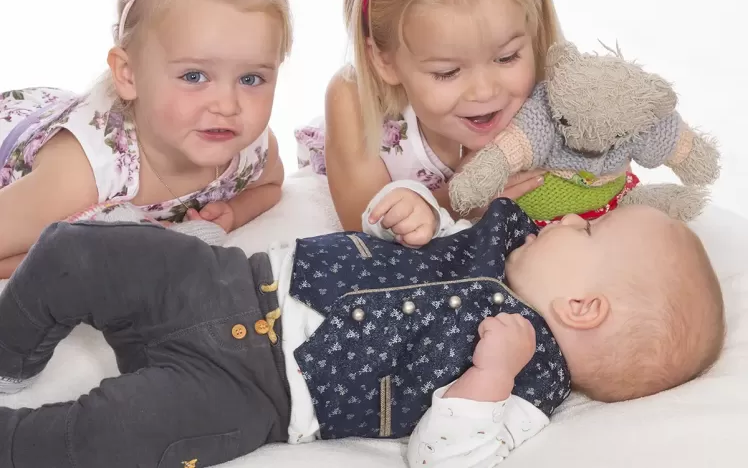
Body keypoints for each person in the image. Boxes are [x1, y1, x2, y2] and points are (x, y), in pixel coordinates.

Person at [0, 180, 724, 467]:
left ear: (583, 308)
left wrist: (491, 374)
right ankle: (11, 347)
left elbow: (444, 455)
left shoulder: (530, 384)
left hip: (253, 391)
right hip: (228, 283)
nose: (569, 220)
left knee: (112, 435)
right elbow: (419, 222)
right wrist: (408, 208)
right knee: (74, 250)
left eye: (587, 234)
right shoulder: (493, 245)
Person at [0, 0, 292, 277]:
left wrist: (234, 212)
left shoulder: (250, 148)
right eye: (194, 76)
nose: (227, 104)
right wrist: (92, 255)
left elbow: (271, 186)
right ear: (128, 74)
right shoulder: (87, 174)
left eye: (251, 79)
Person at [297, 0, 573, 235]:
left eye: (507, 57)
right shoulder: (352, 98)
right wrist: (464, 199)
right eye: (447, 72)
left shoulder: (549, 102)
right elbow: (364, 222)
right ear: (385, 60)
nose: (485, 90)